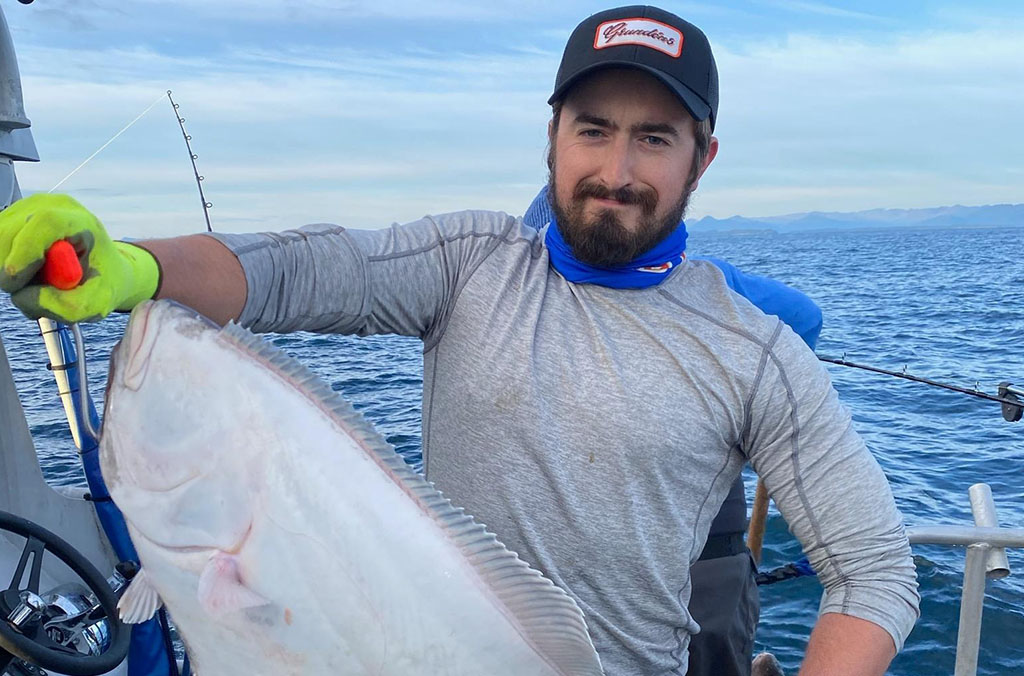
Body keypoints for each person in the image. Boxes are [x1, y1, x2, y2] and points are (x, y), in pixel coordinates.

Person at [0, 5, 919, 675]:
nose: (617, 170)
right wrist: (134, 269)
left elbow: (874, 571)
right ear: (552, 136)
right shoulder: (474, 262)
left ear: (701, 156)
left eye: (654, 138)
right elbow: (309, 269)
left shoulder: (753, 349)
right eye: (592, 130)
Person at [523, 183, 821, 676]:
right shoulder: (711, 289)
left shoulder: (521, 309)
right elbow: (804, 320)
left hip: (582, 578)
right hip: (708, 566)